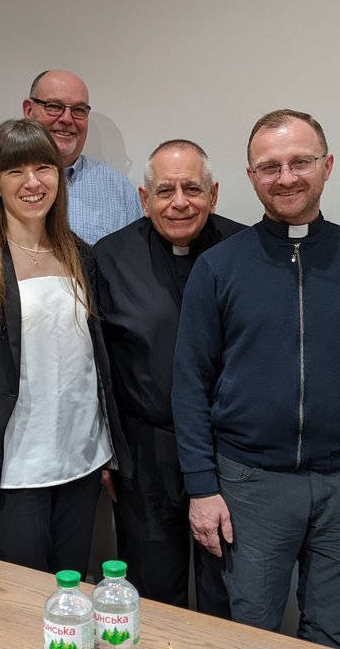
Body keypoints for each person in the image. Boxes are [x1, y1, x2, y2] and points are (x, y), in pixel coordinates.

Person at [173, 109, 340, 649]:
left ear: (327, 165)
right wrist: (202, 487)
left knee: (334, 637)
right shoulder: (219, 267)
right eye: (269, 167)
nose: (286, 177)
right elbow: (190, 384)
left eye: (300, 162)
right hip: (250, 484)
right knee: (253, 635)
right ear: (251, 177)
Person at [0, 118, 132, 576]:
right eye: (15, 171)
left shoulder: (81, 256)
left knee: (68, 601)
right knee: (17, 609)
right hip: (12, 472)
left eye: (45, 168)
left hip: (80, 464)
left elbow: (94, 367)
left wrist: (108, 452)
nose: (33, 182)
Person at [94, 139, 243, 615]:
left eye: (192, 188)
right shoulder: (108, 258)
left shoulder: (247, 252)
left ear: (214, 194)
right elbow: (98, 366)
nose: (179, 202)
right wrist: (108, 453)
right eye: (164, 190)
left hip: (232, 454)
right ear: (144, 198)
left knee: (230, 597)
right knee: (153, 599)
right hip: (145, 454)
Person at [0, 70, 140, 355]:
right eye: (54, 106)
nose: (66, 119)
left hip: (84, 374)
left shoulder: (118, 191)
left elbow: (134, 284)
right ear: (28, 109)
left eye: (79, 110)